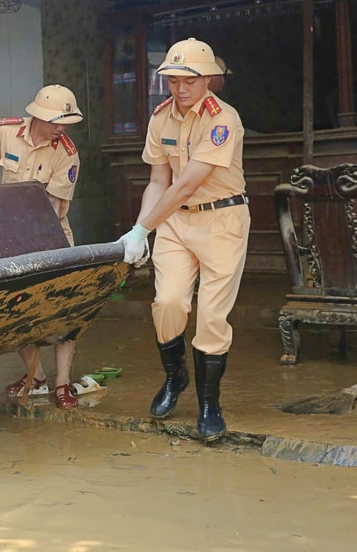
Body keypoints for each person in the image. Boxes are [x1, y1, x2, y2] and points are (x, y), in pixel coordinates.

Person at [117, 38, 249, 442]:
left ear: (208, 79)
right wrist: (141, 227)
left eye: (189, 79)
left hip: (222, 221)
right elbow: (159, 181)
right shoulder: (160, 119)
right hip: (175, 223)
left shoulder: (223, 119)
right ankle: (176, 379)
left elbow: (188, 183)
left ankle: (211, 405)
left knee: (211, 316)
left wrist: (144, 229)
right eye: (173, 79)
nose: (180, 88)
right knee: (168, 302)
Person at [0, 84, 84, 410]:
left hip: (50, 235)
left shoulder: (67, 153)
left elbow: (54, 207)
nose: (61, 128)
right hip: (9, 235)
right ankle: (35, 376)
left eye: (66, 121)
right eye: (56, 120)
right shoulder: (6, 133)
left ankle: (63, 385)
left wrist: (21, 227)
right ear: (37, 115)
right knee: (16, 310)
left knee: (62, 312)